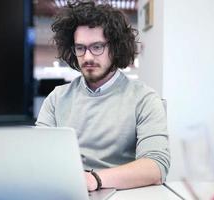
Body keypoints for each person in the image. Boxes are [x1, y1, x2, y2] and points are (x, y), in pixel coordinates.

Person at [35, 1, 170, 191]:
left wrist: (94, 179)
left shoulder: (144, 99)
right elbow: (37, 156)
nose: (88, 57)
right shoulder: (57, 99)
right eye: (80, 48)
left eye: (97, 47)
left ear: (115, 47)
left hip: (120, 194)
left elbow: (156, 167)